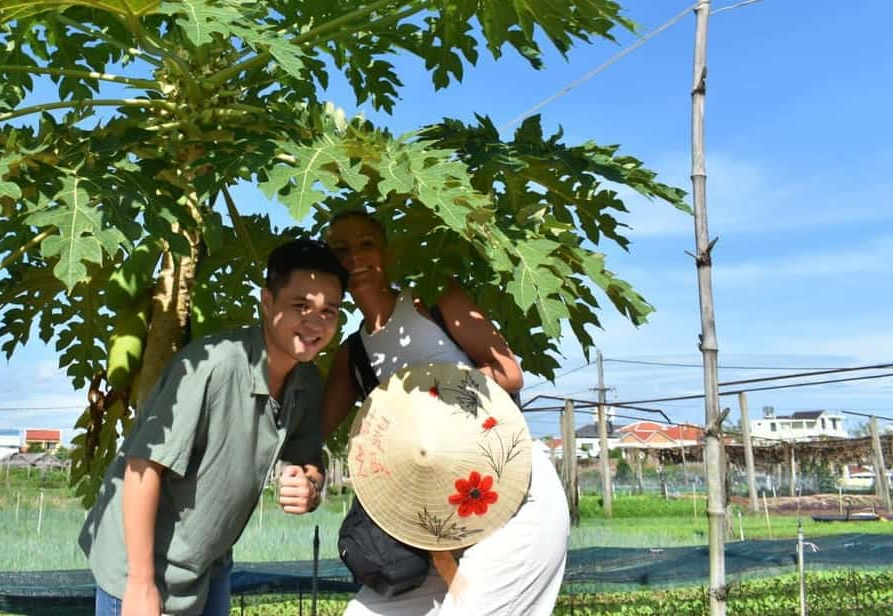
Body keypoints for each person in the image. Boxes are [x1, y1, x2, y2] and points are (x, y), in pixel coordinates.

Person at [79, 239, 349, 616]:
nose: (316, 322)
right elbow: (142, 466)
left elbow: (308, 462)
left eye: (329, 312)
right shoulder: (212, 366)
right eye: (300, 306)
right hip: (140, 569)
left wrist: (312, 488)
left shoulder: (307, 384)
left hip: (209, 567)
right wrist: (140, 584)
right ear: (267, 302)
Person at [322, 211, 570, 616]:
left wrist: (421, 400)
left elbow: (508, 374)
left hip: (515, 502)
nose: (354, 258)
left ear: (388, 251)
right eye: (340, 250)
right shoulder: (353, 355)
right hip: (438, 532)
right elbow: (308, 430)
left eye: (366, 244)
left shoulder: (433, 302)